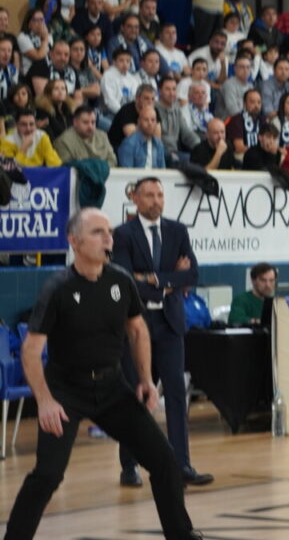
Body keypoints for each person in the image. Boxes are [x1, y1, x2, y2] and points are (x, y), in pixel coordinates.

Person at [4, 207, 200, 540]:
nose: (107, 237)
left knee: (165, 462)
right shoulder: (58, 288)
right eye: (97, 232)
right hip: (65, 392)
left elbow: (137, 330)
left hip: (111, 388)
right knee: (48, 475)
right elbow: (31, 351)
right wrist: (45, 401)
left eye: (108, 231)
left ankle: (182, 535)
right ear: (74, 241)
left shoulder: (121, 280)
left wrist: (145, 381)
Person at [111, 178, 214, 489]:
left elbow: (192, 273)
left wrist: (154, 278)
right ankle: (129, 466)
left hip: (169, 323)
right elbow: (125, 278)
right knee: (134, 395)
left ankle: (181, 464)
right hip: (135, 324)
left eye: (160, 195)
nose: (156, 201)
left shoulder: (177, 231)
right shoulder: (123, 234)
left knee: (176, 397)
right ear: (135, 199)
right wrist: (169, 279)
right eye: (149, 195)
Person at [228, 262, 277, 326]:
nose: (268, 285)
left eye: (271, 280)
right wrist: (259, 322)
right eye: (263, 280)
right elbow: (235, 319)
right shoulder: (241, 300)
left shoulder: (276, 302)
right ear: (253, 281)